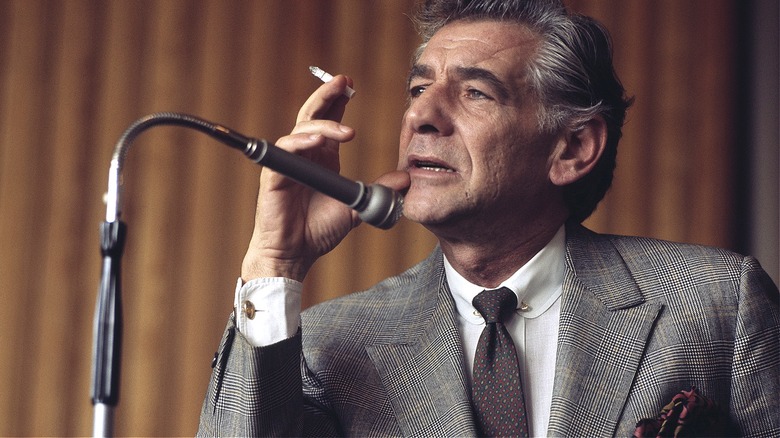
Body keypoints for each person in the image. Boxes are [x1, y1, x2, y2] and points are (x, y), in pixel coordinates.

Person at [197, 0, 780, 436]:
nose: (421, 114)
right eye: (418, 87)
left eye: (475, 93)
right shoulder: (331, 345)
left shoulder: (717, 302)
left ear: (573, 148)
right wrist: (275, 263)